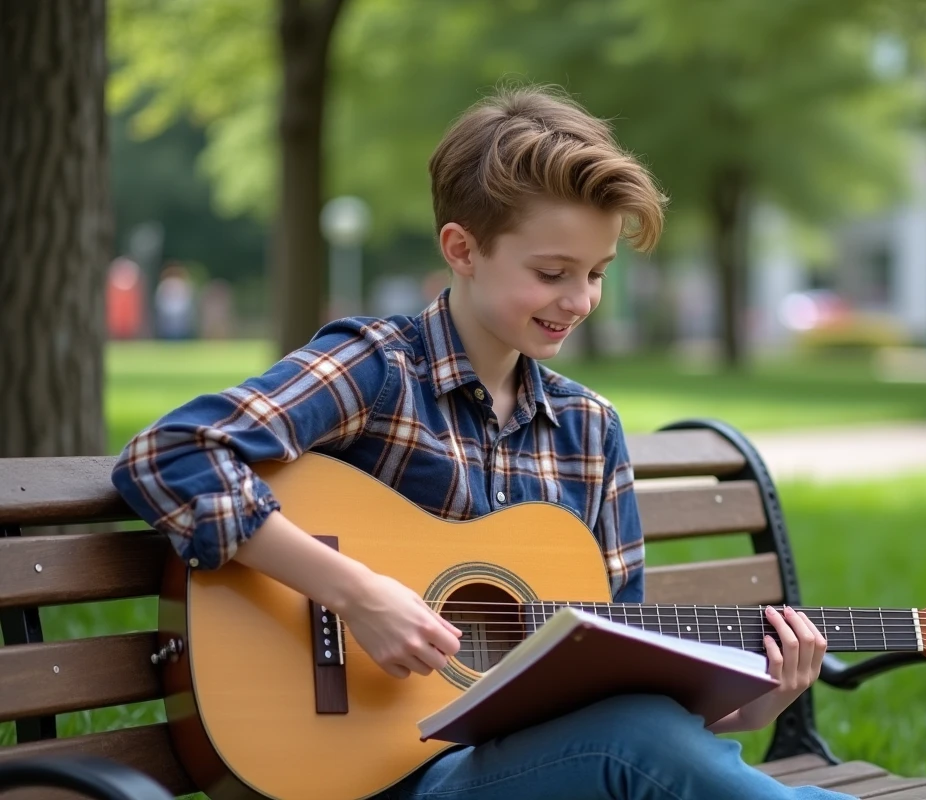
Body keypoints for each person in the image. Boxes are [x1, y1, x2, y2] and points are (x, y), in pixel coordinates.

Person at [110, 85, 852, 800]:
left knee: (639, 731)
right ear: (462, 249)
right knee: (636, 738)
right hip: (361, 775)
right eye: (552, 273)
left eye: (597, 274)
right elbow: (170, 454)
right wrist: (358, 593)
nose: (580, 300)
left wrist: (754, 704)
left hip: (517, 774)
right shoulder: (378, 369)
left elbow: (620, 686)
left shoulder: (590, 431)